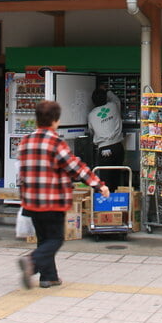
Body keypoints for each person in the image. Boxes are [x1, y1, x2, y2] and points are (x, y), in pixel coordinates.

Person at [17, 100, 109, 289]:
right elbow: (76, 168)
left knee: (43, 240)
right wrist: (98, 185)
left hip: (31, 201)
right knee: (55, 239)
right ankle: (31, 262)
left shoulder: (25, 141)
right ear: (55, 120)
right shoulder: (56, 143)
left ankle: (48, 277)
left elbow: (21, 173)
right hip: (53, 201)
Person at [87, 86, 124, 191]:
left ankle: (106, 198)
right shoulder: (113, 106)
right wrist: (107, 90)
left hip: (103, 148)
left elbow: (91, 130)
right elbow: (116, 99)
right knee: (117, 176)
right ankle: (116, 196)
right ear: (106, 98)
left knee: (105, 178)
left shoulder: (91, 115)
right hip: (117, 146)